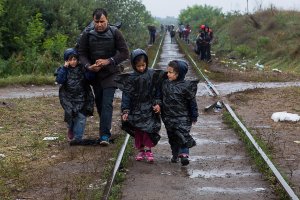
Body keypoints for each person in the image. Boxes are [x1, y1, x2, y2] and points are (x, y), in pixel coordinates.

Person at [78, 8, 130, 145]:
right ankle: (105, 128)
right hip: (95, 75)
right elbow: (81, 54)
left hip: (111, 74)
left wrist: (108, 61)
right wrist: (89, 66)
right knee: (100, 103)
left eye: (102, 21)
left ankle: (104, 136)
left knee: (107, 104)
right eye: (97, 22)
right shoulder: (87, 34)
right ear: (93, 20)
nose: (99, 25)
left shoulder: (115, 33)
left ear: (107, 20)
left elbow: (125, 53)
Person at [115, 49, 163, 163]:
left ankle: (148, 150)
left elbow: (157, 91)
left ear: (146, 63)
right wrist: (125, 111)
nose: (141, 68)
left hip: (149, 107)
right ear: (133, 65)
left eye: (143, 65)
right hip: (135, 108)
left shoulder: (152, 75)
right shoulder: (131, 78)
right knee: (139, 130)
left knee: (148, 129)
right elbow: (126, 95)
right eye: (138, 66)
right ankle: (141, 150)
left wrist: (157, 103)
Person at [161, 60, 198, 166]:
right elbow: (161, 97)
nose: (167, 74)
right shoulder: (165, 84)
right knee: (172, 137)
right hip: (168, 117)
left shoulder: (186, 86)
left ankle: (184, 154)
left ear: (179, 74)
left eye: (170, 72)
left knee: (183, 135)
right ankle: (175, 154)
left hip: (183, 117)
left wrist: (194, 115)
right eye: (167, 72)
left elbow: (192, 101)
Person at [55, 48, 95, 144]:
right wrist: (64, 68)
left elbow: (90, 78)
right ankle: (71, 129)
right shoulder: (63, 70)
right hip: (69, 99)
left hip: (82, 98)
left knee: (81, 118)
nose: (73, 62)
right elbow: (60, 80)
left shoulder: (82, 68)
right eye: (70, 60)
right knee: (71, 117)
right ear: (66, 60)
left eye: (75, 59)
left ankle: (78, 138)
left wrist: (88, 69)